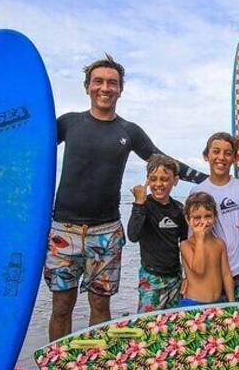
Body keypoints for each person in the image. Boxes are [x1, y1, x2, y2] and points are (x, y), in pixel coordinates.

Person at [45, 54, 207, 340]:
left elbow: (165, 161)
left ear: (120, 89)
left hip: (106, 230)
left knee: (100, 304)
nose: (105, 88)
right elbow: (26, 145)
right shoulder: (69, 123)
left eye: (112, 83)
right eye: (98, 82)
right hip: (63, 230)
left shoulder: (128, 131)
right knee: (61, 306)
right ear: (87, 87)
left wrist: (210, 182)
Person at [189, 132, 239, 301]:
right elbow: (192, 235)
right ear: (206, 156)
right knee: (221, 322)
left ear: (234, 158)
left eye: (228, 153)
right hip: (215, 268)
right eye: (216, 151)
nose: (221, 157)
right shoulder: (197, 192)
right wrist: (188, 276)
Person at [127, 154, 189, 313]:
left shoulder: (179, 209)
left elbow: (185, 244)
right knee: (148, 324)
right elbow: (133, 236)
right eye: (153, 179)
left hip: (175, 277)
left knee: (173, 323)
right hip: (151, 277)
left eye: (164, 179)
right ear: (147, 180)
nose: (158, 184)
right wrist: (139, 204)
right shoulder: (144, 206)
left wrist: (187, 276)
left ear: (175, 181)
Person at [179, 192, 235, 306]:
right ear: (188, 219)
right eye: (197, 217)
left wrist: (231, 302)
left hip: (217, 303)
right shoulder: (186, 245)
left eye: (208, 216)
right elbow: (199, 270)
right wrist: (199, 240)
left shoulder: (219, 243)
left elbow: (226, 274)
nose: (203, 222)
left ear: (215, 217)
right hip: (193, 303)